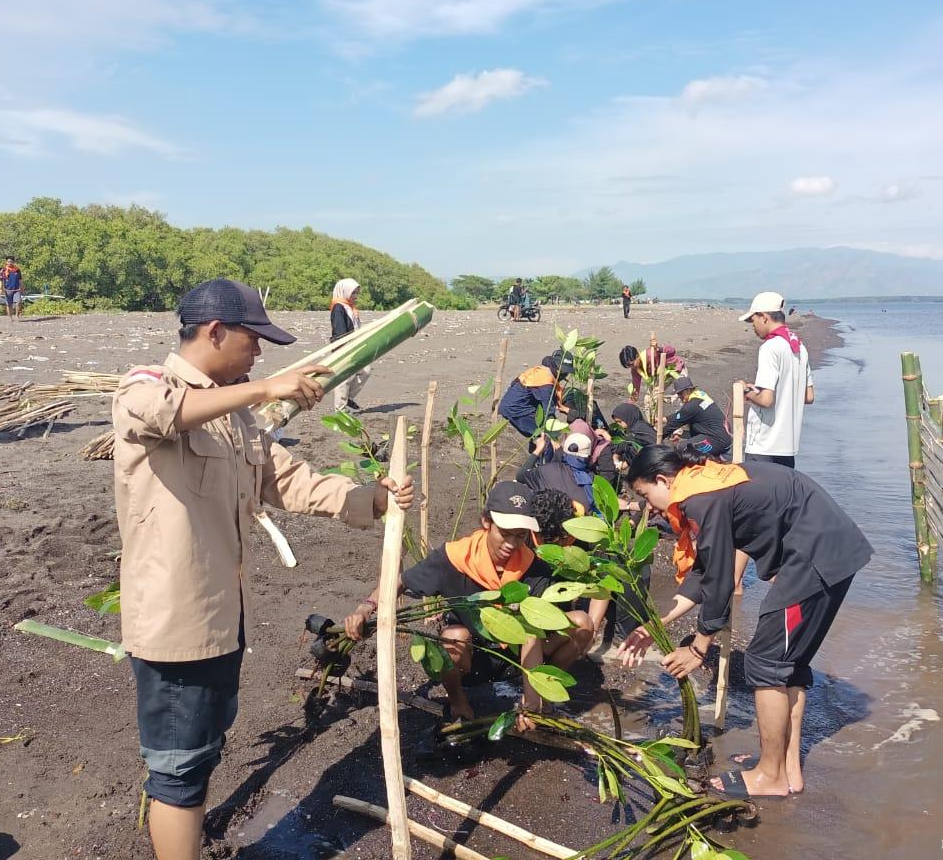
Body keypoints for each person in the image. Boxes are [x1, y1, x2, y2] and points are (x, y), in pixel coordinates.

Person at [112, 277, 414, 860]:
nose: (259, 355)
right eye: (254, 342)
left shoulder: (237, 413)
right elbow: (162, 413)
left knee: (201, 746)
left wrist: (373, 501)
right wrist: (264, 391)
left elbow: (289, 480)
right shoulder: (145, 385)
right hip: (176, 623)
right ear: (216, 331)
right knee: (179, 765)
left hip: (223, 615)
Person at [619, 444, 871, 799]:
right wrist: (655, 625)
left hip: (815, 558)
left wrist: (699, 645)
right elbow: (706, 570)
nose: (649, 506)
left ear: (662, 480)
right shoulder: (707, 482)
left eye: (646, 495)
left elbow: (720, 578)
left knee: (765, 662)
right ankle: (787, 769)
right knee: (788, 663)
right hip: (828, 551)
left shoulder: (702, 499)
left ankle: (770, 776)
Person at [344, 481, 594, 721]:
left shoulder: (535, 569)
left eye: (520, 536)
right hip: (473, 660)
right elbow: (400, 582)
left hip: (518, 655)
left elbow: (532, 635)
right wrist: (366, 607)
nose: (511, 545)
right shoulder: (454, 557)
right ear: (486, 522)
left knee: (582, 623)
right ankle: (458, 701)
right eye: (504, 533)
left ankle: (543, 692)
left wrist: (531, 702)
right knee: (454, 637)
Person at [739, 291, 813, 468]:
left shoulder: (770, 347)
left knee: (757, 495)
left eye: (753, 320)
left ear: (764, 317)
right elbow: (808, 396)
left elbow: (766, 400)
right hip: (788, 447)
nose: (753, 326)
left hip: (763, 445)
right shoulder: (799, 347)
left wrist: (746, 391)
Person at [498, 354, 570, 439]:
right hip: (517, 411)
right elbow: (549, 413)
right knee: (544, 435)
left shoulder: (541, 370)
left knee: (537, 435)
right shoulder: (546, 383)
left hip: (508, 405)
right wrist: (554, 436)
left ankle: (536, 447)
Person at [662, 376, 732, 460]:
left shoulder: (692, 406)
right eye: (678, 394)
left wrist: (655, 437)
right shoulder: (699, 396)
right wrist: (666, 419)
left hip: (718, 441)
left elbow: (673, 425)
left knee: (683, 449)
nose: (679, 396)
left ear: (688, 390)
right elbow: (681, 415)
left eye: (681, 393)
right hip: (719, 435)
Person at [329, 278, 369, 412]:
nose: (355, 296)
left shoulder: (349, 306)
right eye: (353, 293)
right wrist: (345, 347)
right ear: (345, 291)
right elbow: (340, 331)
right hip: (344, 346)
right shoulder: (338, 307)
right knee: (343, 378)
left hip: (355, 345)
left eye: (357, 293)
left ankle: (348, 398)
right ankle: (339, 409)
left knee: (365, 371)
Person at [620, 343, 687, 404]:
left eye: (632, 364)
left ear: (637, 356)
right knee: (648, 400)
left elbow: (672, 351)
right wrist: (629, 403)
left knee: (682, 396)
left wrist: (659, 349)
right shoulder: (635, 370)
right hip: (661, 378)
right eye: (629, 366)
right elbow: (636, 389)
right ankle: (654, 416)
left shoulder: (651, 353)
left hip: (675, 370)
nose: (632, 367)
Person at [0, 256, 23, 323]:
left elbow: (20, 280)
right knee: (9, 304)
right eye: (8, 261)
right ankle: (10, 318)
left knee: (19, 302)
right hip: (7, 290)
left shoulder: (17, 270)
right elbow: (0, 280)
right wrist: (0, 289)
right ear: (6, 262)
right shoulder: (3, 270)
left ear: (13, 262)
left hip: (16, 289)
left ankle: (17, 315)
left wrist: (22, 287)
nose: (10, 263)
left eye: (11, 261)